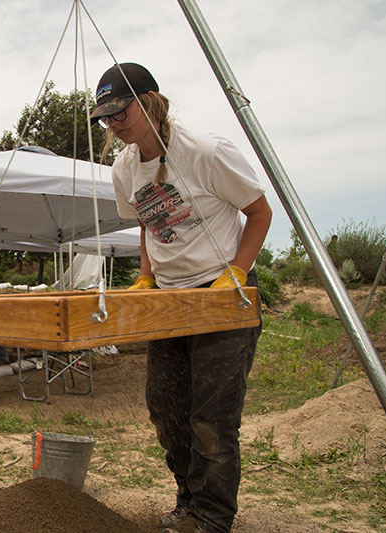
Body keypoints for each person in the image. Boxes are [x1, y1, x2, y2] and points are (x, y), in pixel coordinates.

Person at [90, 62, 272, 533]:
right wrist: (146, 279)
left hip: (222, 294)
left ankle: (211, 519)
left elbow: (259, 211)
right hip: (169, 301)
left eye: (120, 110)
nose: (113, 123)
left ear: (148, 99)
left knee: (211, 415)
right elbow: (148, 227)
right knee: (167, 412)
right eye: (105, 116)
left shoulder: (205, 151)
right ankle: (189, 503)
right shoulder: (124, 169)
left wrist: (236, 271)